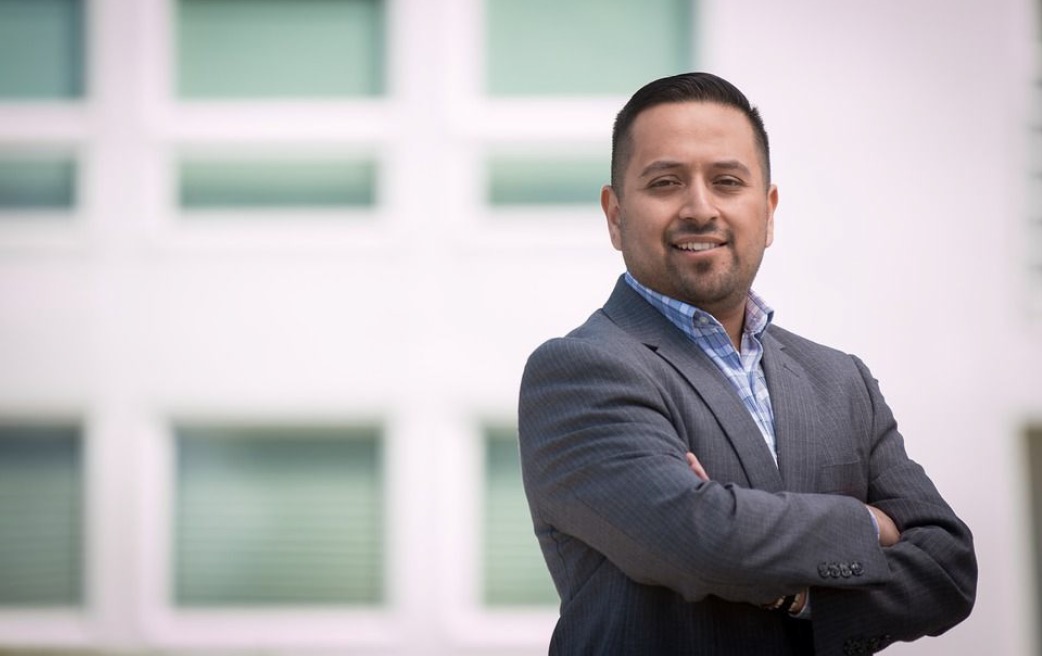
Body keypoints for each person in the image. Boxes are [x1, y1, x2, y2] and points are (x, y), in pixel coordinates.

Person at [517, 72, 976, 655]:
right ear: (615, 215)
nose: (699, 208)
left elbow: (949, 568)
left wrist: (797, 595)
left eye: (727, 181)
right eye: (665, 182)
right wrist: (868, 524)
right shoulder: (578, 371)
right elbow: (696, 539)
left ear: (768, 210)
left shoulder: (842, 381)